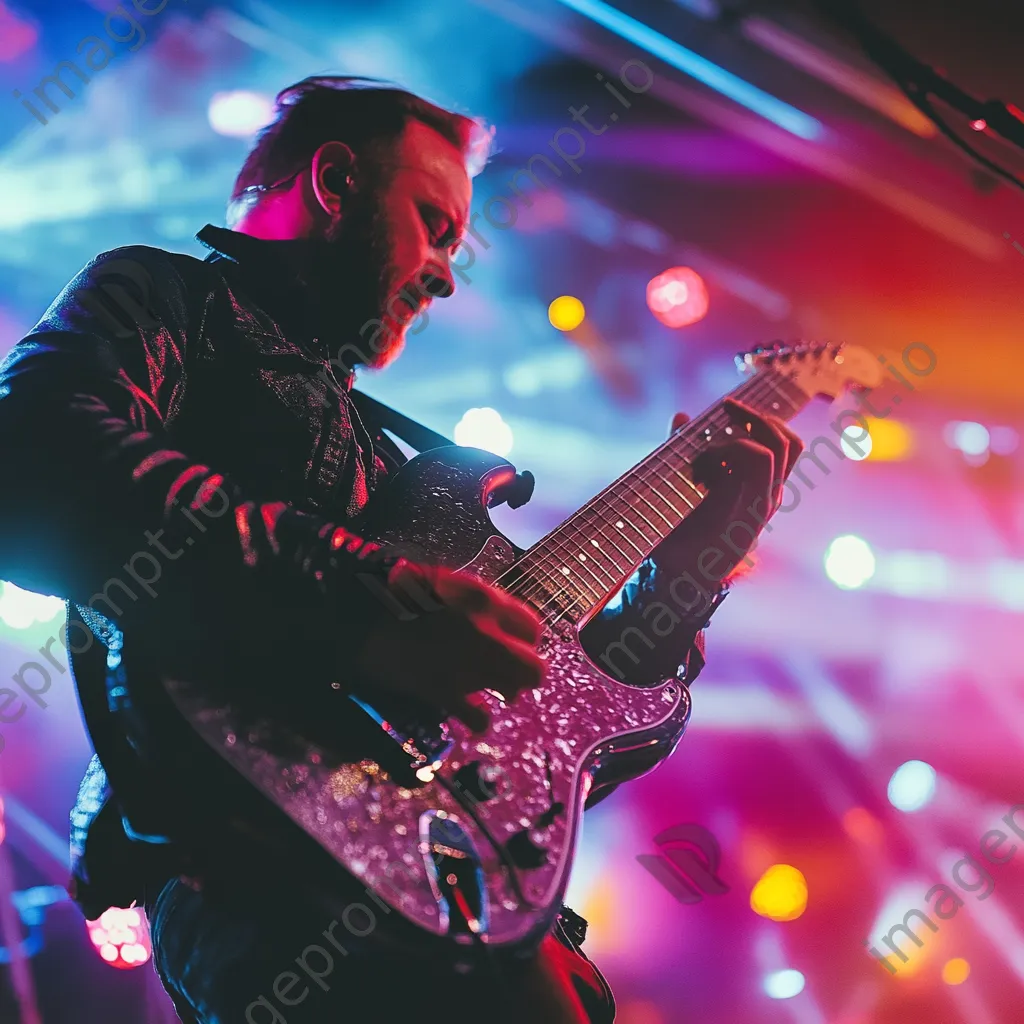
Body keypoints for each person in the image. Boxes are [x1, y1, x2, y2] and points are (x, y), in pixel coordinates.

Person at [0, 77, 802, 1023]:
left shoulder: (393, 463)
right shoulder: (170, 297)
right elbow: (31, 454)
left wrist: (685, 578)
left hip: (443, 875)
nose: (447, 272)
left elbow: (541, 738)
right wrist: (368, 602)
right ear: (335, 182)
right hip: (260, 860)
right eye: (434, 223)